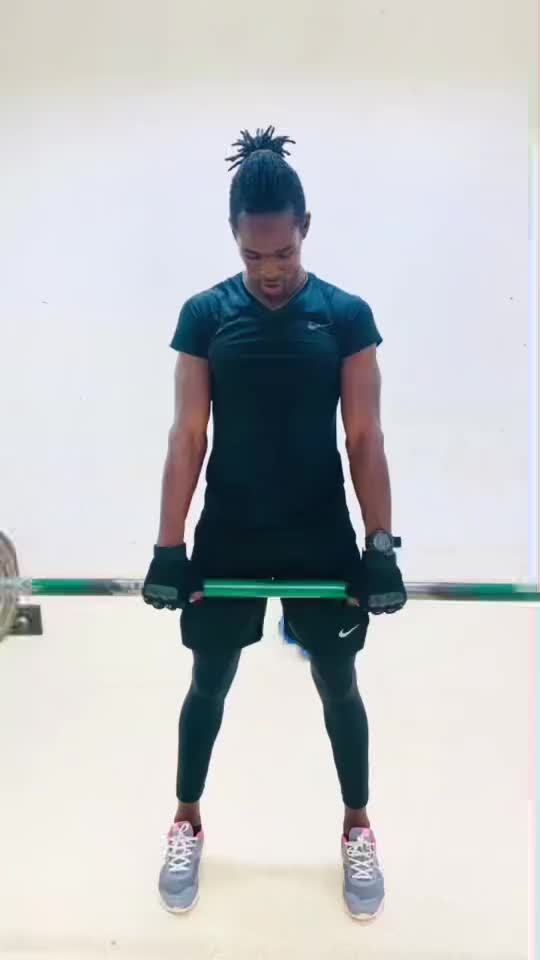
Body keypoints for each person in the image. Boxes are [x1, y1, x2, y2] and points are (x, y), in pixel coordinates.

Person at [143, 126, 407, 921]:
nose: (268, 270)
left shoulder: (346, 316)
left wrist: (380, 548)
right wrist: (168, 548)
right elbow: (187, 437)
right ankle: (186, 820)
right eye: (253, 255)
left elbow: (365, 438)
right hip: (230, 534)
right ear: (234, 238)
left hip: (319, 536)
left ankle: (357, 826)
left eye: (283, 253)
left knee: (338, 685)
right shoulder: (204, 315)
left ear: (305, 230)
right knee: (208, 682)